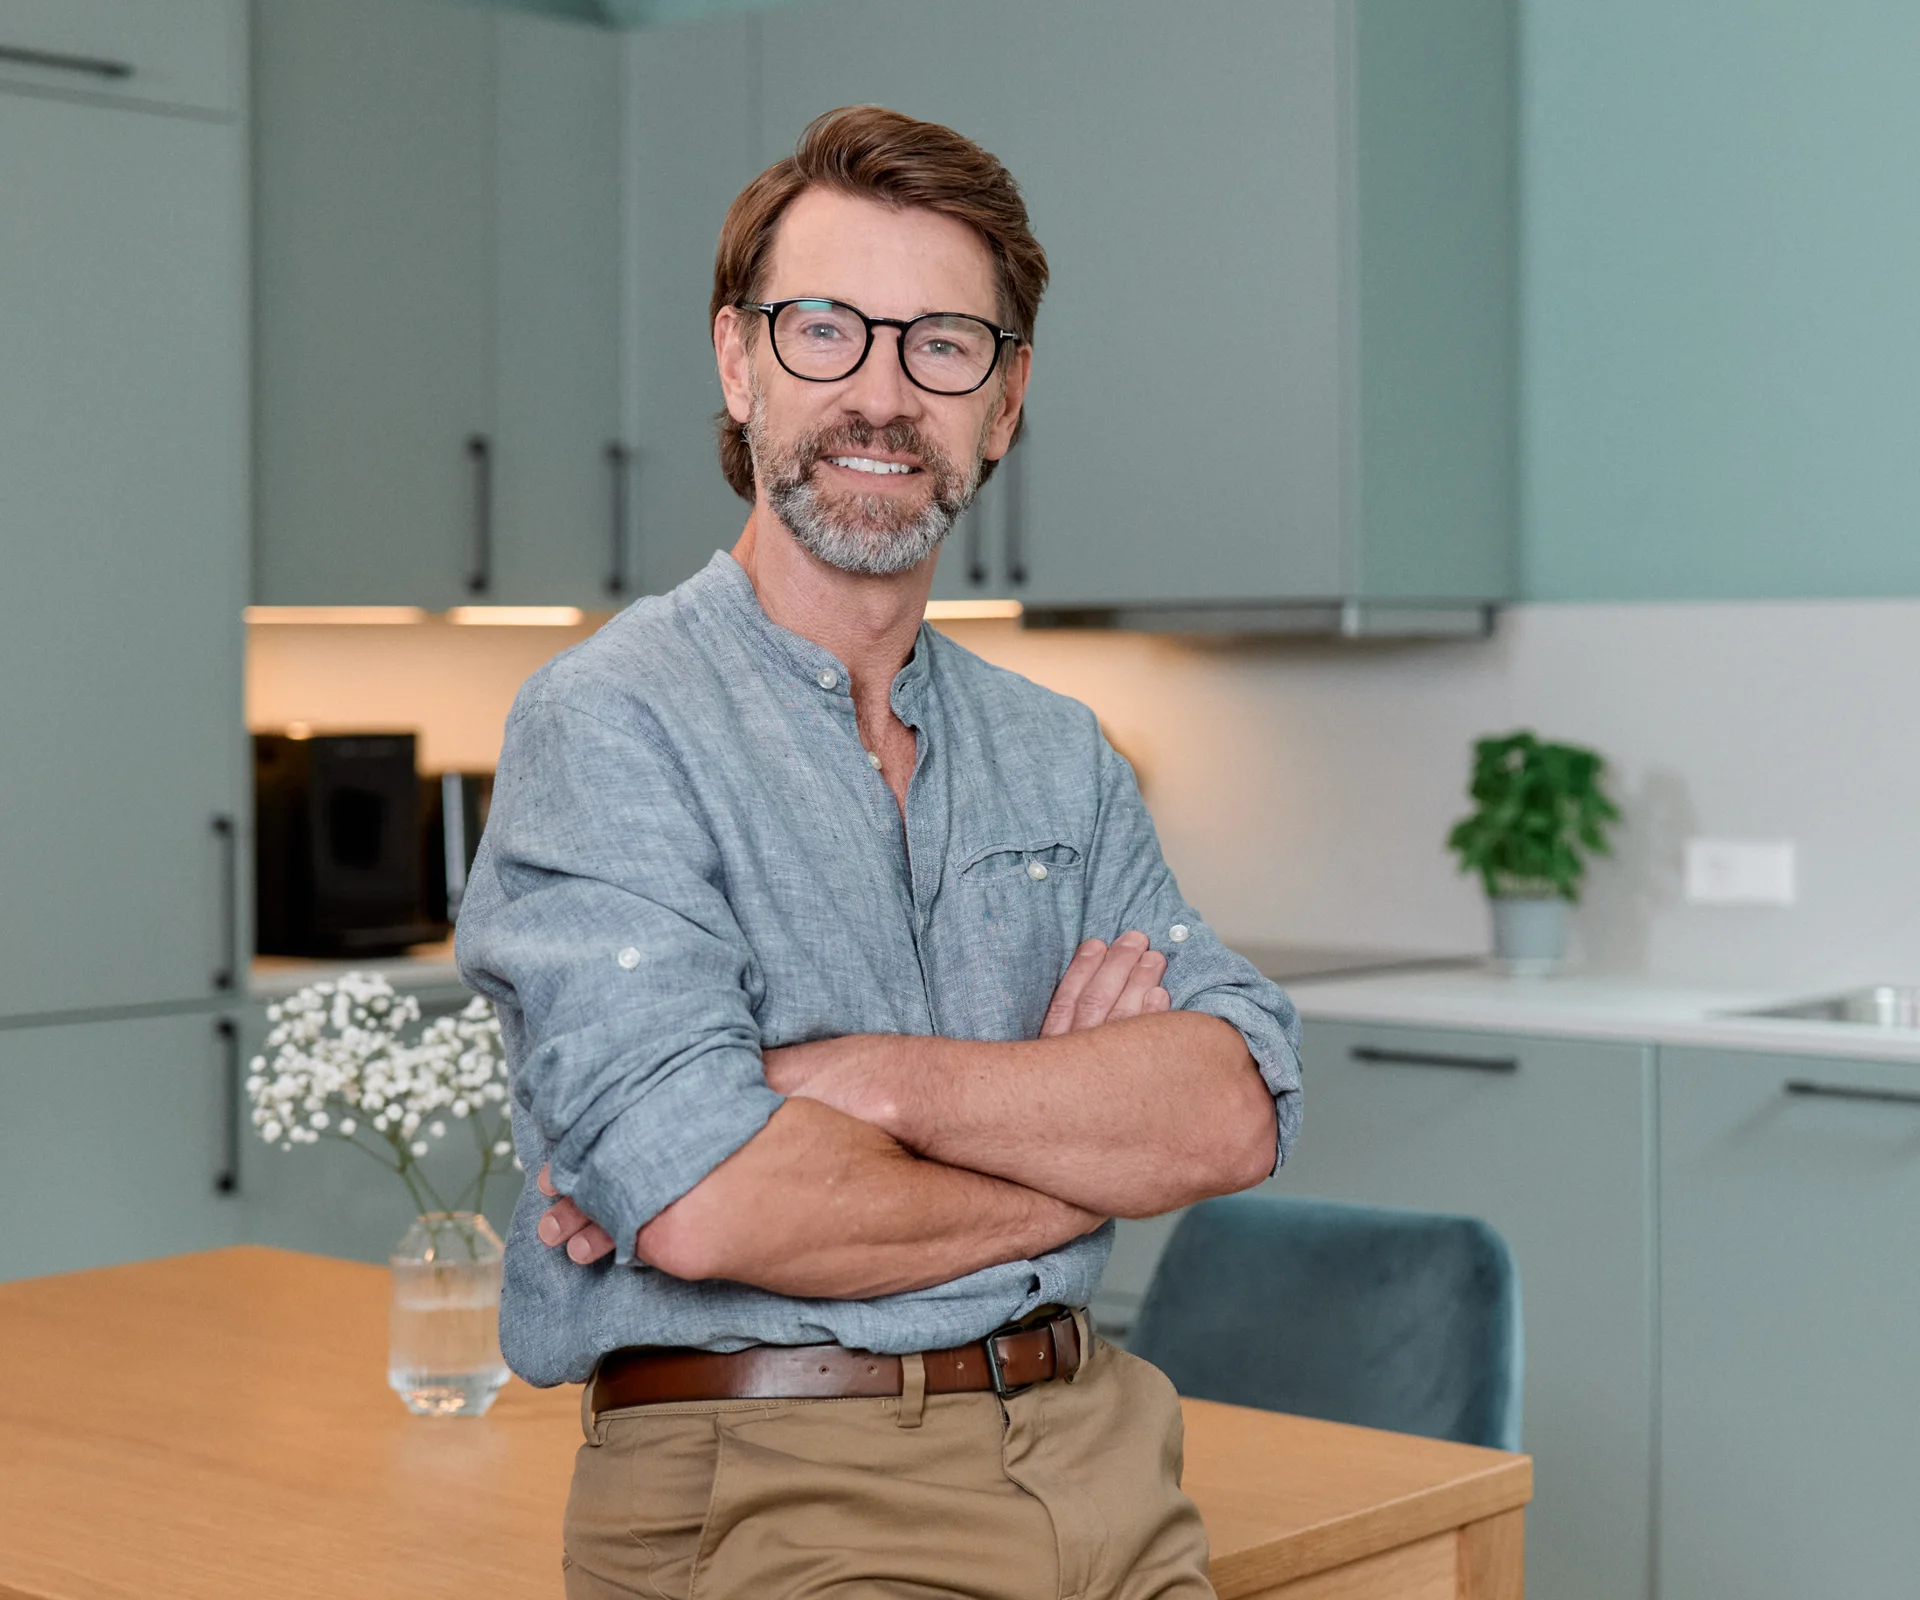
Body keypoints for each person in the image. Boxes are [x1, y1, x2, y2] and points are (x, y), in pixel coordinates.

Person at [455, 104, 1301, 1600]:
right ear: (739, 359)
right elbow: (713, 1199)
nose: (884, 394)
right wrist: (1080, 1165)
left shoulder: (1060, 752)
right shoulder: (609, 724)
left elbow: (1228, 1110)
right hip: (779, 1490)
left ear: (1006, 400)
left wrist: (869, 1080)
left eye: (943, 346)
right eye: (827, 330)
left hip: (1106, 1452)